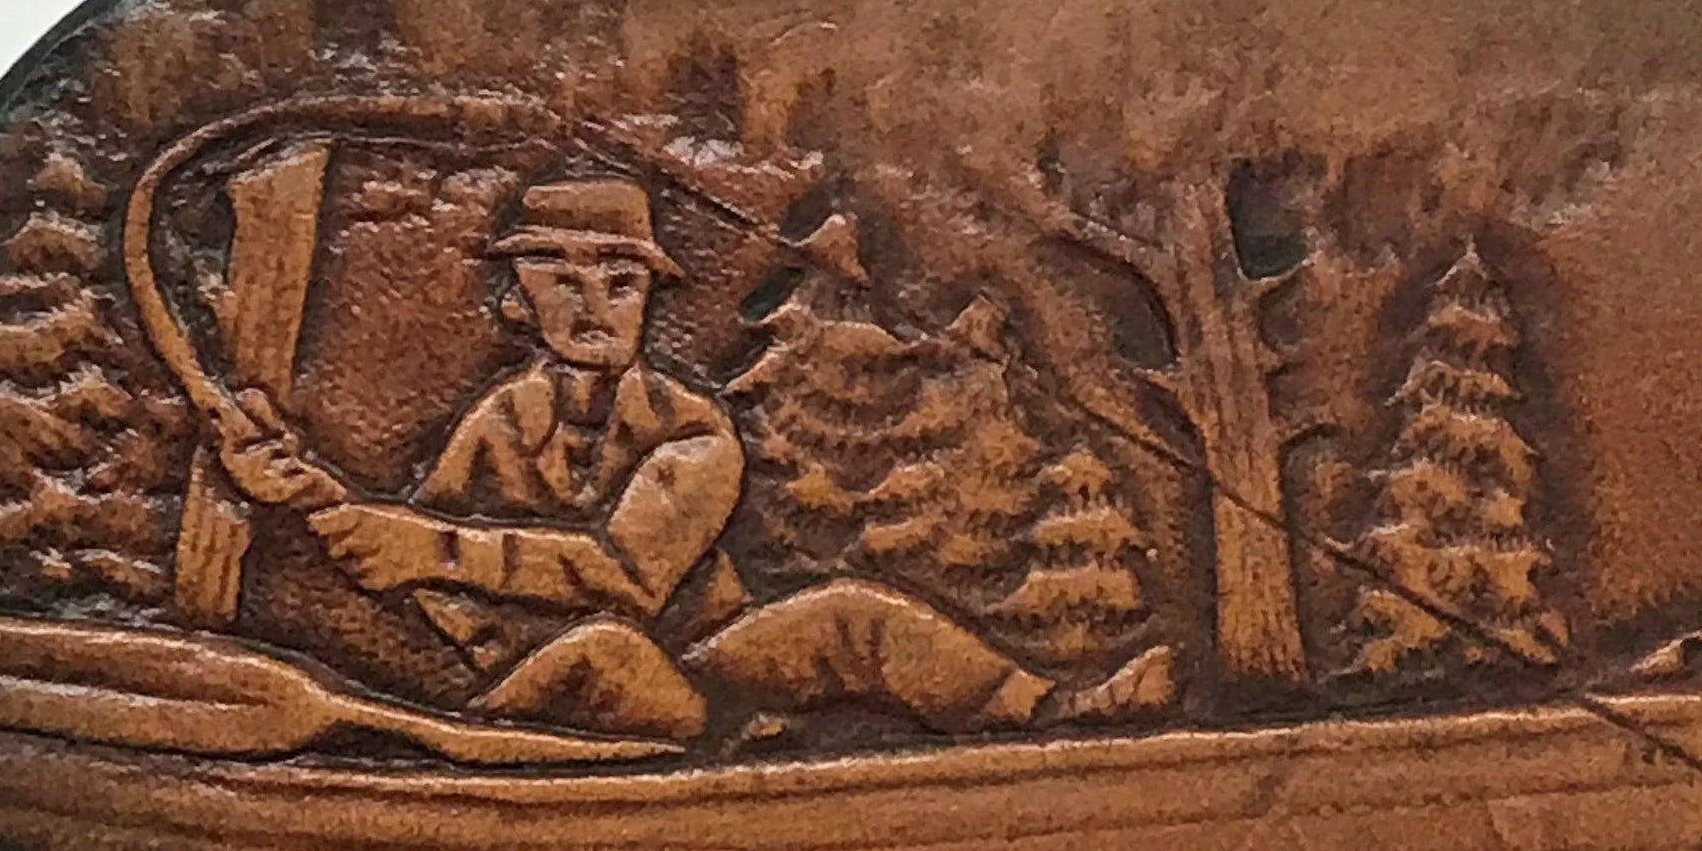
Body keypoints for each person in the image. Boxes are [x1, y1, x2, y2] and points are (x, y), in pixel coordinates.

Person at [214, 175, 1171, 743]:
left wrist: (420, 546)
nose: (594, 305)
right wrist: (308, 498)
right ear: (517, 301)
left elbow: (627, 573)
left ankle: (1052, 716)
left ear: (648, 299)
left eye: (619, 281)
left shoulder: (693, 429)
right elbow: (405, 566)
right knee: (608, 655)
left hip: (691, 669)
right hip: (560, 686)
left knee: (849, 615)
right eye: (561, 279)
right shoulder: (495, 424)